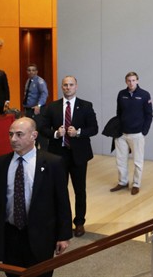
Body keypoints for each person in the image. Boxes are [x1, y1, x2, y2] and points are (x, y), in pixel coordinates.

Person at [0, 117, 72, 277]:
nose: (13, 139)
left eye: (19, 134)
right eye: (10, 134)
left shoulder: (53, 163)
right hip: (9, 236)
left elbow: (62, 202)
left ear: (34, 135)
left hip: (41, 236)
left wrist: (64, 236)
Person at [38, 76, 98, 237]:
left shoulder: (86, 106)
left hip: (78, 155)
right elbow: (42, 128)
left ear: (76, 87)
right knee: (59, 190)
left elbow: (94, 128)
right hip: (58, 155)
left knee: (80, 190)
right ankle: (61, 222)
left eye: (71, 85)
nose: (68, 87)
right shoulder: (53, 107)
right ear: (62, 87)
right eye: (65, 85)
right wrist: (56, 133)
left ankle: (79, 222)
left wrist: (78, 132)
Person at [110, 72, 153, 195]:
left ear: (137, 81)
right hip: (121, 133)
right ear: (126, 82)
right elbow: (119, 112)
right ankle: (123, 182)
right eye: (129, 80)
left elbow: (149, 115)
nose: (131, 83)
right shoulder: (121, 94)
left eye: (133, 80)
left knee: (137, 161)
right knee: (120, 160)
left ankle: (136, 184)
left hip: (137, 134)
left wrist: (144, 131)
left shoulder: (144, 95)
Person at [22, 64, 49, 149]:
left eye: (33, 70)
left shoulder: (40, 81)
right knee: (32, 130)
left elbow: (44, 94)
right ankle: (34, 150)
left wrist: (39, 105)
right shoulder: (28, 80)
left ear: (37, 71)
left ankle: (45, 152)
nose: (31, 72)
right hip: (29, 110)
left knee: (40, 131)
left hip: (37, 110)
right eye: (29, 70)